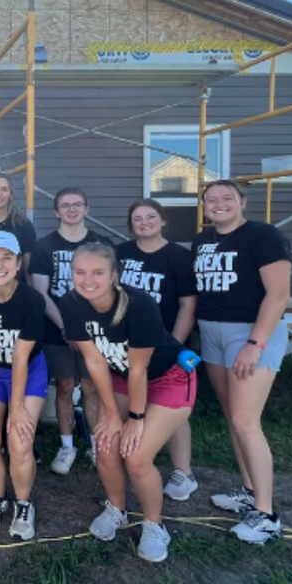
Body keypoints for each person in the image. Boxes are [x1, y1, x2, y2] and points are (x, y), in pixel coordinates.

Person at [62, 243, 196, 563]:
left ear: (114, 275)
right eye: (80, 272)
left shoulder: (139, 304)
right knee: (106, 444)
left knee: (135, 455)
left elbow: (140, 368)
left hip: (168, 378)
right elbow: (95, 363)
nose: (88, 279)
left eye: (97, 272)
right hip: (121, 378)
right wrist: (110, 414)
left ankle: (154, 524)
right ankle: (117, 509)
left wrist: (134, 418)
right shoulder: (71, 302)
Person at [193, 180, 292, 544]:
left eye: (226, 198)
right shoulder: (203, 241)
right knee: (231, 415)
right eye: (211, 199)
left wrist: (255, 343)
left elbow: (279, 294)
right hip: (212, 331)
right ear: (204, 205)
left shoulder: (264, 235)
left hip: (249, 332)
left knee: (245, 421)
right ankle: (249, 491)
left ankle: (267, 516)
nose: (218, 204)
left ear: (242, 202)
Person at [115, 199, 199, 502]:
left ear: (163, 221)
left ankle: (183, 472)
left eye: (151, 217)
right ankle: (127, 465)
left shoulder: (178, 256)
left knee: (173, 409)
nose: (144, 222)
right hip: (128, 346)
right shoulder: (121, 253)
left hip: (169, 347)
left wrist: (173, 345)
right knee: (134, 403)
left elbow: (188, 305)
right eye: (137, 218)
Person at [0, 232, 47, 541]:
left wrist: (16, 409)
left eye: (6, 258)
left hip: (27, 372)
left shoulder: (32, 299)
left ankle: (24, 503)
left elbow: (21, 355)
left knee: (19, 441)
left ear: (18, 264)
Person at [30, 187, 111, 475]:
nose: (72, 210)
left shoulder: (101, 243)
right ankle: (67, 445)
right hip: (57, 329)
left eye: (77, 204)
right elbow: (41, 292)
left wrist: (90, 327)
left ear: (87, 209)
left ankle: (96, 444)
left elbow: (111, 290)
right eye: (65, 205)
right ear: (56, 212)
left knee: (93, 387)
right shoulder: (45, 246)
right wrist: (66, 326)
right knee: (64, 386)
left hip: (94, 330)